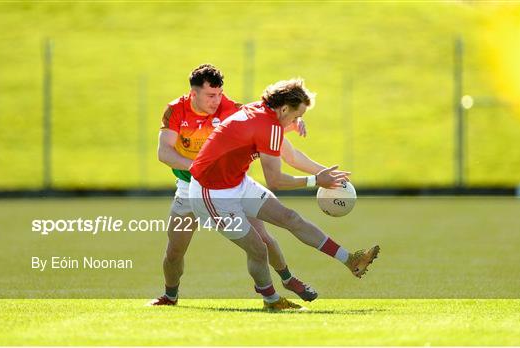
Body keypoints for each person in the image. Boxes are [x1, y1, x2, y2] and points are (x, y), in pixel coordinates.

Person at [189, 78, 380, 310]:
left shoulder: (264, 112)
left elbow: (292, 157)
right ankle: (271, 300)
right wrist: (316, 180)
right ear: (284, 108)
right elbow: (275, 181)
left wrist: (328, 176)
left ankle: (351, 260)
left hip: (237, 182)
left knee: (291, 219)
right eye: (296, 116)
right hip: (211, 193)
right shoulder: (267, 126)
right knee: (258, 248)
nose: (297, 122)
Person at [149, 64, 321, 306]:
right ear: (193, 93)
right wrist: (204, 166)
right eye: (210, 95)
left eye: (220, 94)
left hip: (228, 187)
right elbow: (164, 153)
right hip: (189, 189)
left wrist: (289, 125)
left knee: (264, 240)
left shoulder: (230, 108)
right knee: (175, 250)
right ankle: (170, 295)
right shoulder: (176, 110)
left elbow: (265, 125)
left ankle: (288, 278)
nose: (217, 100)